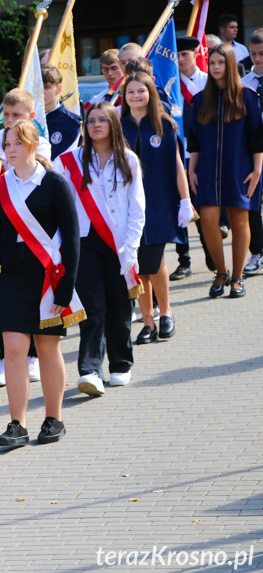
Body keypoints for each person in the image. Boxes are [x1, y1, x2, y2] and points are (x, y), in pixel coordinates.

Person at [0, 120, 82, 447]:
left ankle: (53, 418)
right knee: (13, 348)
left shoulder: (55, 183)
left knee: (46, 346)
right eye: (6, 144)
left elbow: (71, 237)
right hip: (11, 277)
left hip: (48, 279)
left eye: (16, 143)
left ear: (33, 145)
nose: (10, 150)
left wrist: (67, 285)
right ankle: (17, 424)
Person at [56, 103, 145, 396]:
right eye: (90, 120)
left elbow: (137, 208)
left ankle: (120, 364)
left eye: (101, 120)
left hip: (119, 244)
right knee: (92, 308)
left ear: (113, 125)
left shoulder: (128, 160)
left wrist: (131, 248)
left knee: (119, 307)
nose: (95, 125)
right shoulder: (70, 161)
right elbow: (52, 191)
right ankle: (90, 370)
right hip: (84, 243)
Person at [120, 73, 194, 344]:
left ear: (150, 93)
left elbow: (177, 165)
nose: (136, 96)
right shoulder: (118, 125)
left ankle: (166, 312)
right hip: (127, 204)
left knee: (154, 260)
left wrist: (185, 201)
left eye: (141, 91)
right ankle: (147, 321)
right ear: (124, 96)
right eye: (131, 92)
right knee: (137, 265)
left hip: (159, 202)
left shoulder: (165, 124)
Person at [0, 88, 52, 387]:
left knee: (37, 304)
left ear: (31, 117)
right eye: (7, 115)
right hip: (3, 237)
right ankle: (5, 357)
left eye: (17, 116)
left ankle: (34, 357)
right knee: (1, 300)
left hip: (38, 245)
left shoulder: (45, 150)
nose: (10, 121)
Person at [187, 44, 263, 298]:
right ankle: (221, 272)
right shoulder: (199, 100)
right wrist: (192, 171)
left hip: (240, 170)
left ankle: (238, 277)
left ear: (230, 65)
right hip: (207, 171)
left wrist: (257, 171)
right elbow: (194, 141)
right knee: (208, 219)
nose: (216, 67)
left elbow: (257, 138)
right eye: (212, 63)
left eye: (221, 63)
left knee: (239, 220)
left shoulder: (248, 96)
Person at [172, 35, 210, 281]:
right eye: (177, 54)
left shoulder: (209, 82)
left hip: (204, 155)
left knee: (205, 209)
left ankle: (212, 257)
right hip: (177, 157)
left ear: (196, 54)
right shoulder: (171, 85)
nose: (181, 59)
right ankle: (184, 259)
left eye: (185, 54)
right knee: (181, 210)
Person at [240, 29, 263, 277]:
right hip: (254, 152)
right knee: (252, 203)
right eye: (253, 54)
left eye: (262, 54)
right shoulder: (243, 85)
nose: (257, 59)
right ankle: (258, 252)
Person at [43, 64, 82, 160]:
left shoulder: (71, 124)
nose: (41, 92)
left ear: (59, 89)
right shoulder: (26, 118)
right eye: (38, 87)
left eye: (47, 87)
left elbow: (65, 161)